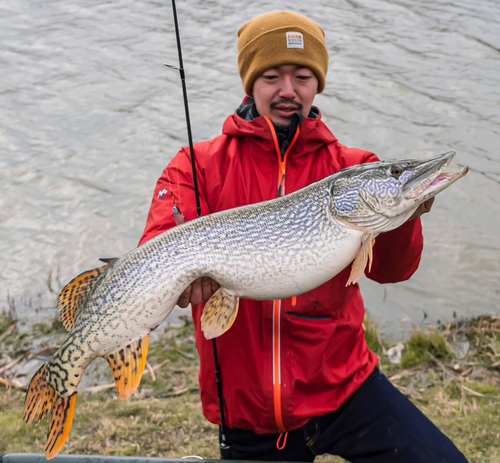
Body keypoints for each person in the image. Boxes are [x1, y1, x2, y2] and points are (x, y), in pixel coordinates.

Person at [139, 11, 468, 463]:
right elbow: (158, 246)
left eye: (303, 76)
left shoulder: (354, 169)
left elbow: (393, 270)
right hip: (248, 408)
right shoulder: (197, 166)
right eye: (272, 75)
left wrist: (406, 213)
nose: (288, 90)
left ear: (319, 84)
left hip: (343, 387)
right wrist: (180, 284)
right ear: (250, 83)